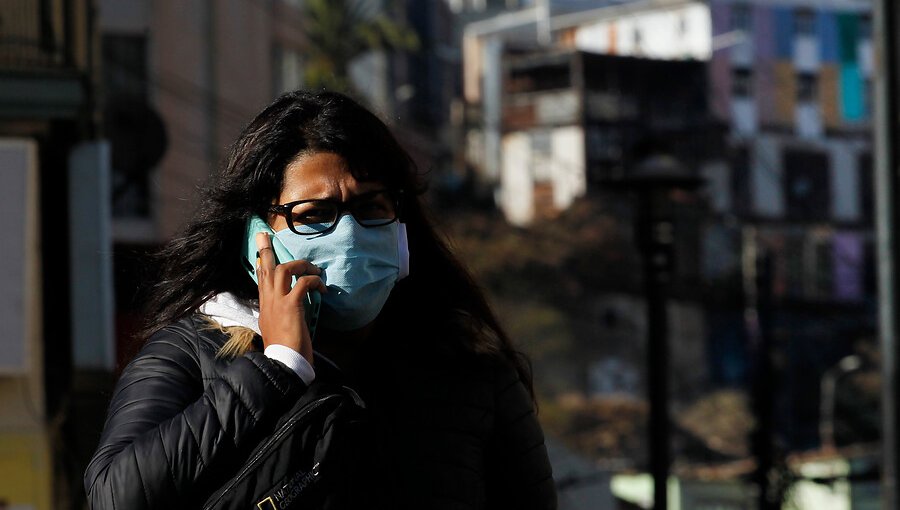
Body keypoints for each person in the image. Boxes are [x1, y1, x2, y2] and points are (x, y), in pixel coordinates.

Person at [83, 90, 557, 509]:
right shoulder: (191, 355)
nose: (348, 234)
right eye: (315, 214)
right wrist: (276, 368)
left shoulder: (474, 380)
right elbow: (114, 495)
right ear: (258, 239)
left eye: (371, 206)